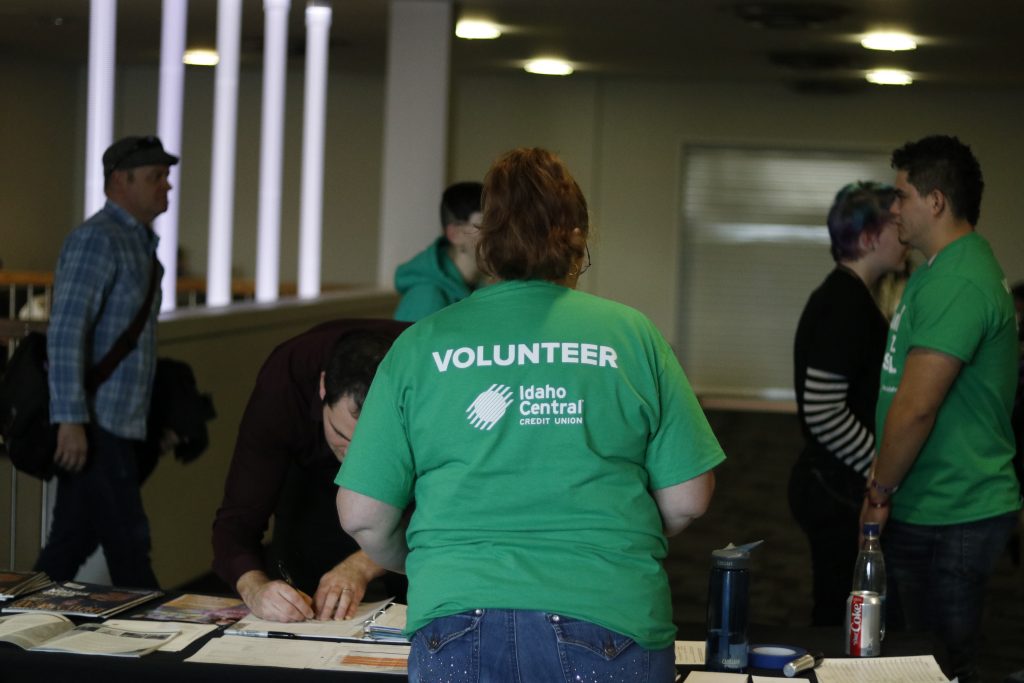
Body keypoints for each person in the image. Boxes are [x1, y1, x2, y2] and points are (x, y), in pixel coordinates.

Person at [336, 148, 725, 682]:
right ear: (579, 237)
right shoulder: (631, 335)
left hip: (455, 616)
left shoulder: (419, 346)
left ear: (484, 238)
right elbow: (688, 498)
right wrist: (615, 533)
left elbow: (361, 514)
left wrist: (426, 556)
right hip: (609, 612)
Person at [861, 135, 1021, 683]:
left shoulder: (958, 279)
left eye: (902, 195)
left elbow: (918, 407)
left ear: (935, 201)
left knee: (937, 666)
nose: (894, 208)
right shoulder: (938, 269)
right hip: (934, 500)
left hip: (954, 509)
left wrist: (880, 490)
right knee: (915, 658)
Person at [35, 135, 178, 588]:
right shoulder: (97, 240)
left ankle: (11, 625)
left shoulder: (137, 242)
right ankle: (159, 644)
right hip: (98, 423)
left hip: (119, 421)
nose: (166, 187)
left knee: (71, 542)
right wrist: (71, 419)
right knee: (129, 544)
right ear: (121, 181)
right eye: (156, 177)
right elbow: (66, 330)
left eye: (166, 177)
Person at [211, 319, 409, 622]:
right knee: (300, 587)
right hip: (308, 481)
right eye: (343, 437)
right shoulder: (283, 384)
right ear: (322, 386)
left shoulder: (424, 374)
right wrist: (256, 589)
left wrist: (362, 565)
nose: (354, 460)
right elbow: (237, 519)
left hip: (407, 499)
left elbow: (448, 508)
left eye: (369, 446)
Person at [788, 181, 907, 627]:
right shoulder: (844, 304)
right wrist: (880, 471)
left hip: (833, 481)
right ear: (868, 239)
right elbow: (824, 411)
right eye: (895, 226)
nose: (905, 236)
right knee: (838, 614)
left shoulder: (850, 297)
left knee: (843, 607)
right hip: (833, 488)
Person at [393, 181, 483, 322]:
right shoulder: (426, 299)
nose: (502, 233)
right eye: (486, 223)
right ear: (455, 234)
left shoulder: (479, 288)